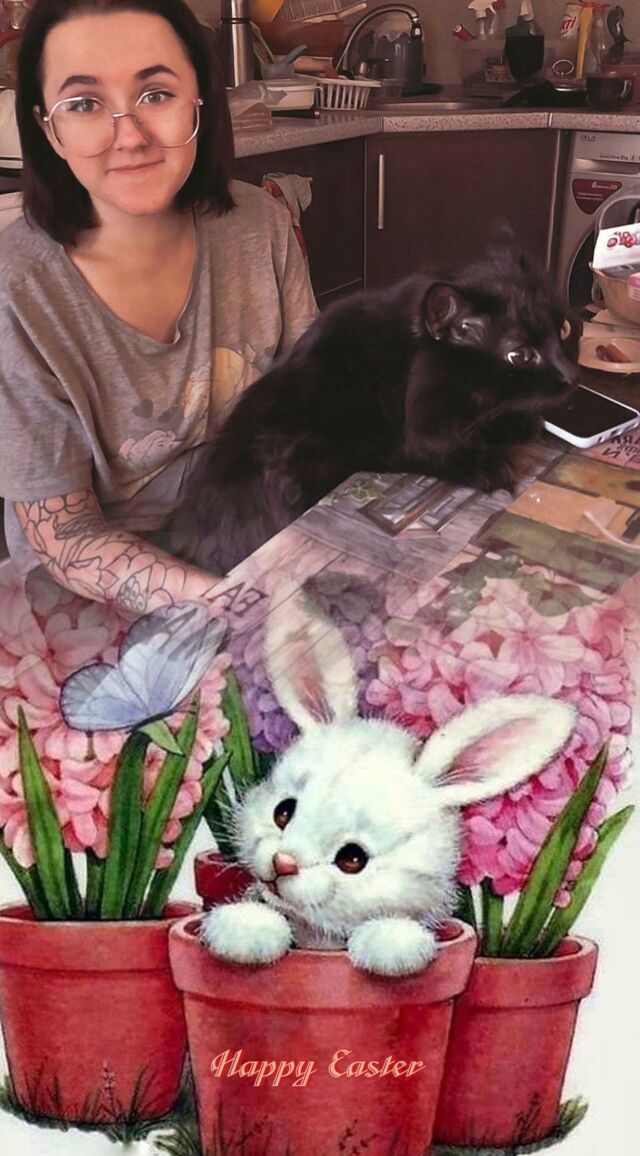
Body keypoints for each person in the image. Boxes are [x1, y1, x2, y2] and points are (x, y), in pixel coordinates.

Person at [0, 0, 318, 615]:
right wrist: (229, 603)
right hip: (95, 594)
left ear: (199, 100)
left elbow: (312, 407)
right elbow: (64, 537)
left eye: (156, 94)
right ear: (49, 129)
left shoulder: (260, 226)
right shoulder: (18, 290)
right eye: (84, 104)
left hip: (254, 534)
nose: (130, 136)